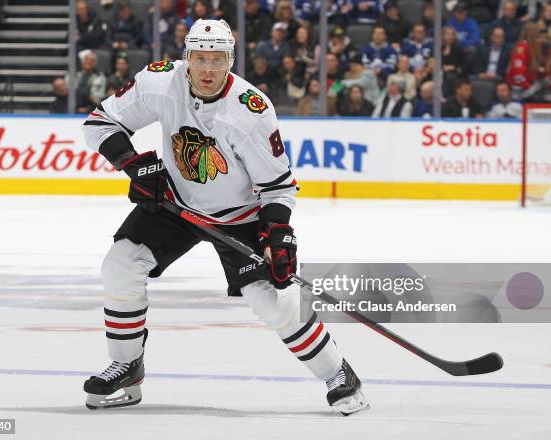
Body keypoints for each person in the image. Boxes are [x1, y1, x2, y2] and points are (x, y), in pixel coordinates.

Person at [81, 18, 369, 416]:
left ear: (230, 60)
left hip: (240, 217)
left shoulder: (250, 110)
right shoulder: (159, 82)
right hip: (177, 204)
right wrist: (134, 164)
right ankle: (127, 367)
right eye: (200, 58)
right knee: (120, 265)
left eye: (218, 60)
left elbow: (278, 187)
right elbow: (100, 122)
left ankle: (339, 374)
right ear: (186, 57)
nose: (208, 70)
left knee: (271, 301)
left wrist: (278, 234)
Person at [506, 22, 548, 99]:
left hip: (528, 84)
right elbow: (518, 75)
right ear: (533, 35)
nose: (539, 39)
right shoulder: (522, 48)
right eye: (537, 36)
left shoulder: (530, 47)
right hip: (519, 89)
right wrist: (529, 87)